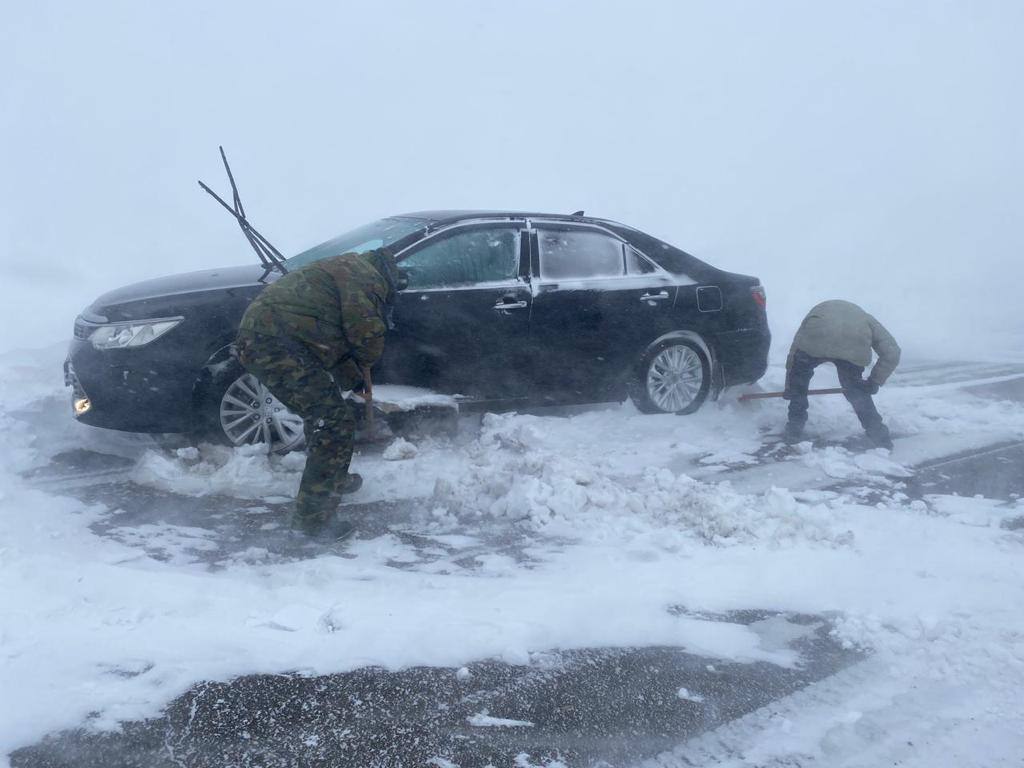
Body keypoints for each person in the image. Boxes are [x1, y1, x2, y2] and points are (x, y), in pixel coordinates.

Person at [234, 248, 403, 539]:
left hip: (272, 339)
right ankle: (313, 523)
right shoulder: (367, 277)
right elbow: (364, 332)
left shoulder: (346, 266)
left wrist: (353, 379)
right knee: (333, 423)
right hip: (275, 344)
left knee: (326, 415)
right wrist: (369, 356)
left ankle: (331, 480)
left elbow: (328, 335)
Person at [783, 300, 901, 449]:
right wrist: (874, 381)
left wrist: (791, 387)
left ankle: (794, 430)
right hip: (853, 342)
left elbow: (795, 351)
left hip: (817, 333)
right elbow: (892, 352)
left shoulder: (817, 313)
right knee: (856, 392)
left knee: (799, 379)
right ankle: (880, 439)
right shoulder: (867, 320)